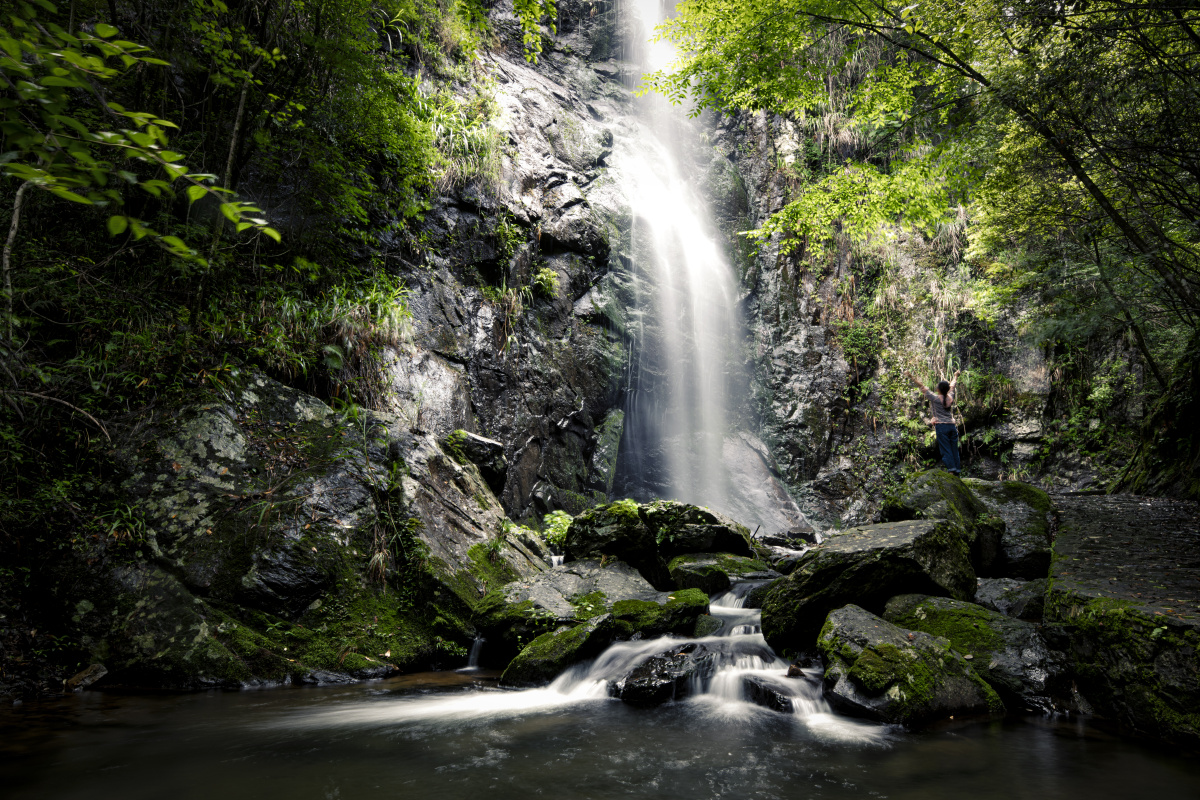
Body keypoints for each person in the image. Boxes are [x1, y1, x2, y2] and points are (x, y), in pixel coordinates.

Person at [905, 368, 962, 475]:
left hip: (942, 427)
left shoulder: (935, 398)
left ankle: (951, 471)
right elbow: (953, 386)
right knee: (954, 448)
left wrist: (911, 377)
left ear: (939, 390)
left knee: (946, 449)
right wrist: (956, 376)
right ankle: (957, 470)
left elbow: (922, 387)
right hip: (952, 426)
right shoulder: (950, 397)